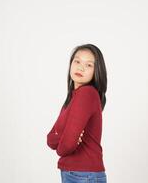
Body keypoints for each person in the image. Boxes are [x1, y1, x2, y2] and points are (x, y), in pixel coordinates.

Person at [46, 44, 108, 183]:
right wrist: (64, 137)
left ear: (96, 71)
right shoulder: (73, 97)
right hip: (79, 174)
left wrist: (63, 142)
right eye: (77, 61)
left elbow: (65, 147)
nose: (80, 67)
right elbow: (50, 139)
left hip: (83, 175)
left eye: (89, 65)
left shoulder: (86, 94)